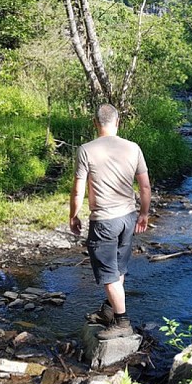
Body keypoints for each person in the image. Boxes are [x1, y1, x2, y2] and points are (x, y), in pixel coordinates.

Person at [69, 103, 151, 340]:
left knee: (108, 273)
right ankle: (109, 310)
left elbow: (78, 190)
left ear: (95, 123)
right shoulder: (133, 148)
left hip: (104, 220)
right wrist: (144, 213)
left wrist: (74, 215)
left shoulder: (86, 150)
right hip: (127, 217)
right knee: (117, 268)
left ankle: (122, 321)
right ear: (117, 122)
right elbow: (144, 186)